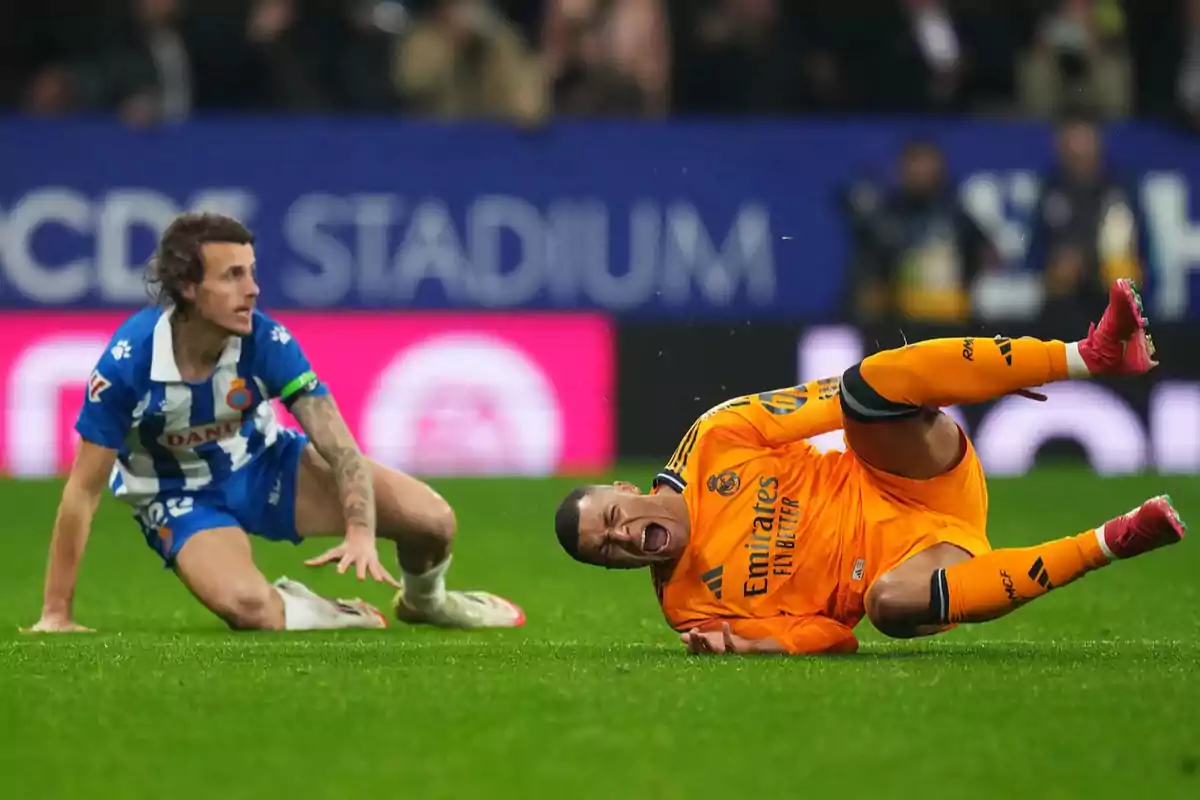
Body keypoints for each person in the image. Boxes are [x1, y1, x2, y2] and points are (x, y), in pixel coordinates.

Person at [553, 279, 1186, 655]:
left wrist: (969, 378)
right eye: (606, 551)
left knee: (865, 387)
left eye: (610, 518)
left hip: (910, 474)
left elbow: (841, 393)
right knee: (887, 604)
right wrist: (750, 645)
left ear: (623, 488)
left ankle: (1088, 355)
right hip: (916, 570)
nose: (619, 537)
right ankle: (1116, 540)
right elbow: (835, 636)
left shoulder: (718, 437)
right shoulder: (689, 608)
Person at [25, 212, 524, 633]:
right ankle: (327, 612)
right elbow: (82, 492)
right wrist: (56, 613)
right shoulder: (127, 365)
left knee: (432, 522)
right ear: (188, 287)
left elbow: (339, 446)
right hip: (176, 495)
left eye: (252, 273)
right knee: (248, 607)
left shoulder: (266, 341)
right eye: (233, 276)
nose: (253, 290)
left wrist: (360, 530)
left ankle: (427, 601)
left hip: (265, 464)